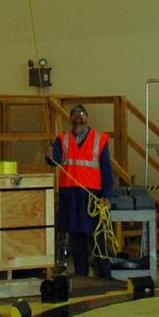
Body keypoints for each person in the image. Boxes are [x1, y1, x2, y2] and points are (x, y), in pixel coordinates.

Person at [51, 104, 113, 278]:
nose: (78, 117)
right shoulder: (62, 139)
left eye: (81, 114)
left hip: (92, 197)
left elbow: (107, 169)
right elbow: (54, 160)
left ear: (87, 118)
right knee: (76, 238)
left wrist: (107, 195)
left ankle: (104, 276)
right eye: (74, 114)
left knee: (97, 237)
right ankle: (81, 276)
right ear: (70, 119)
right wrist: (49, 155)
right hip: (70, 196)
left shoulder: (99, 140)